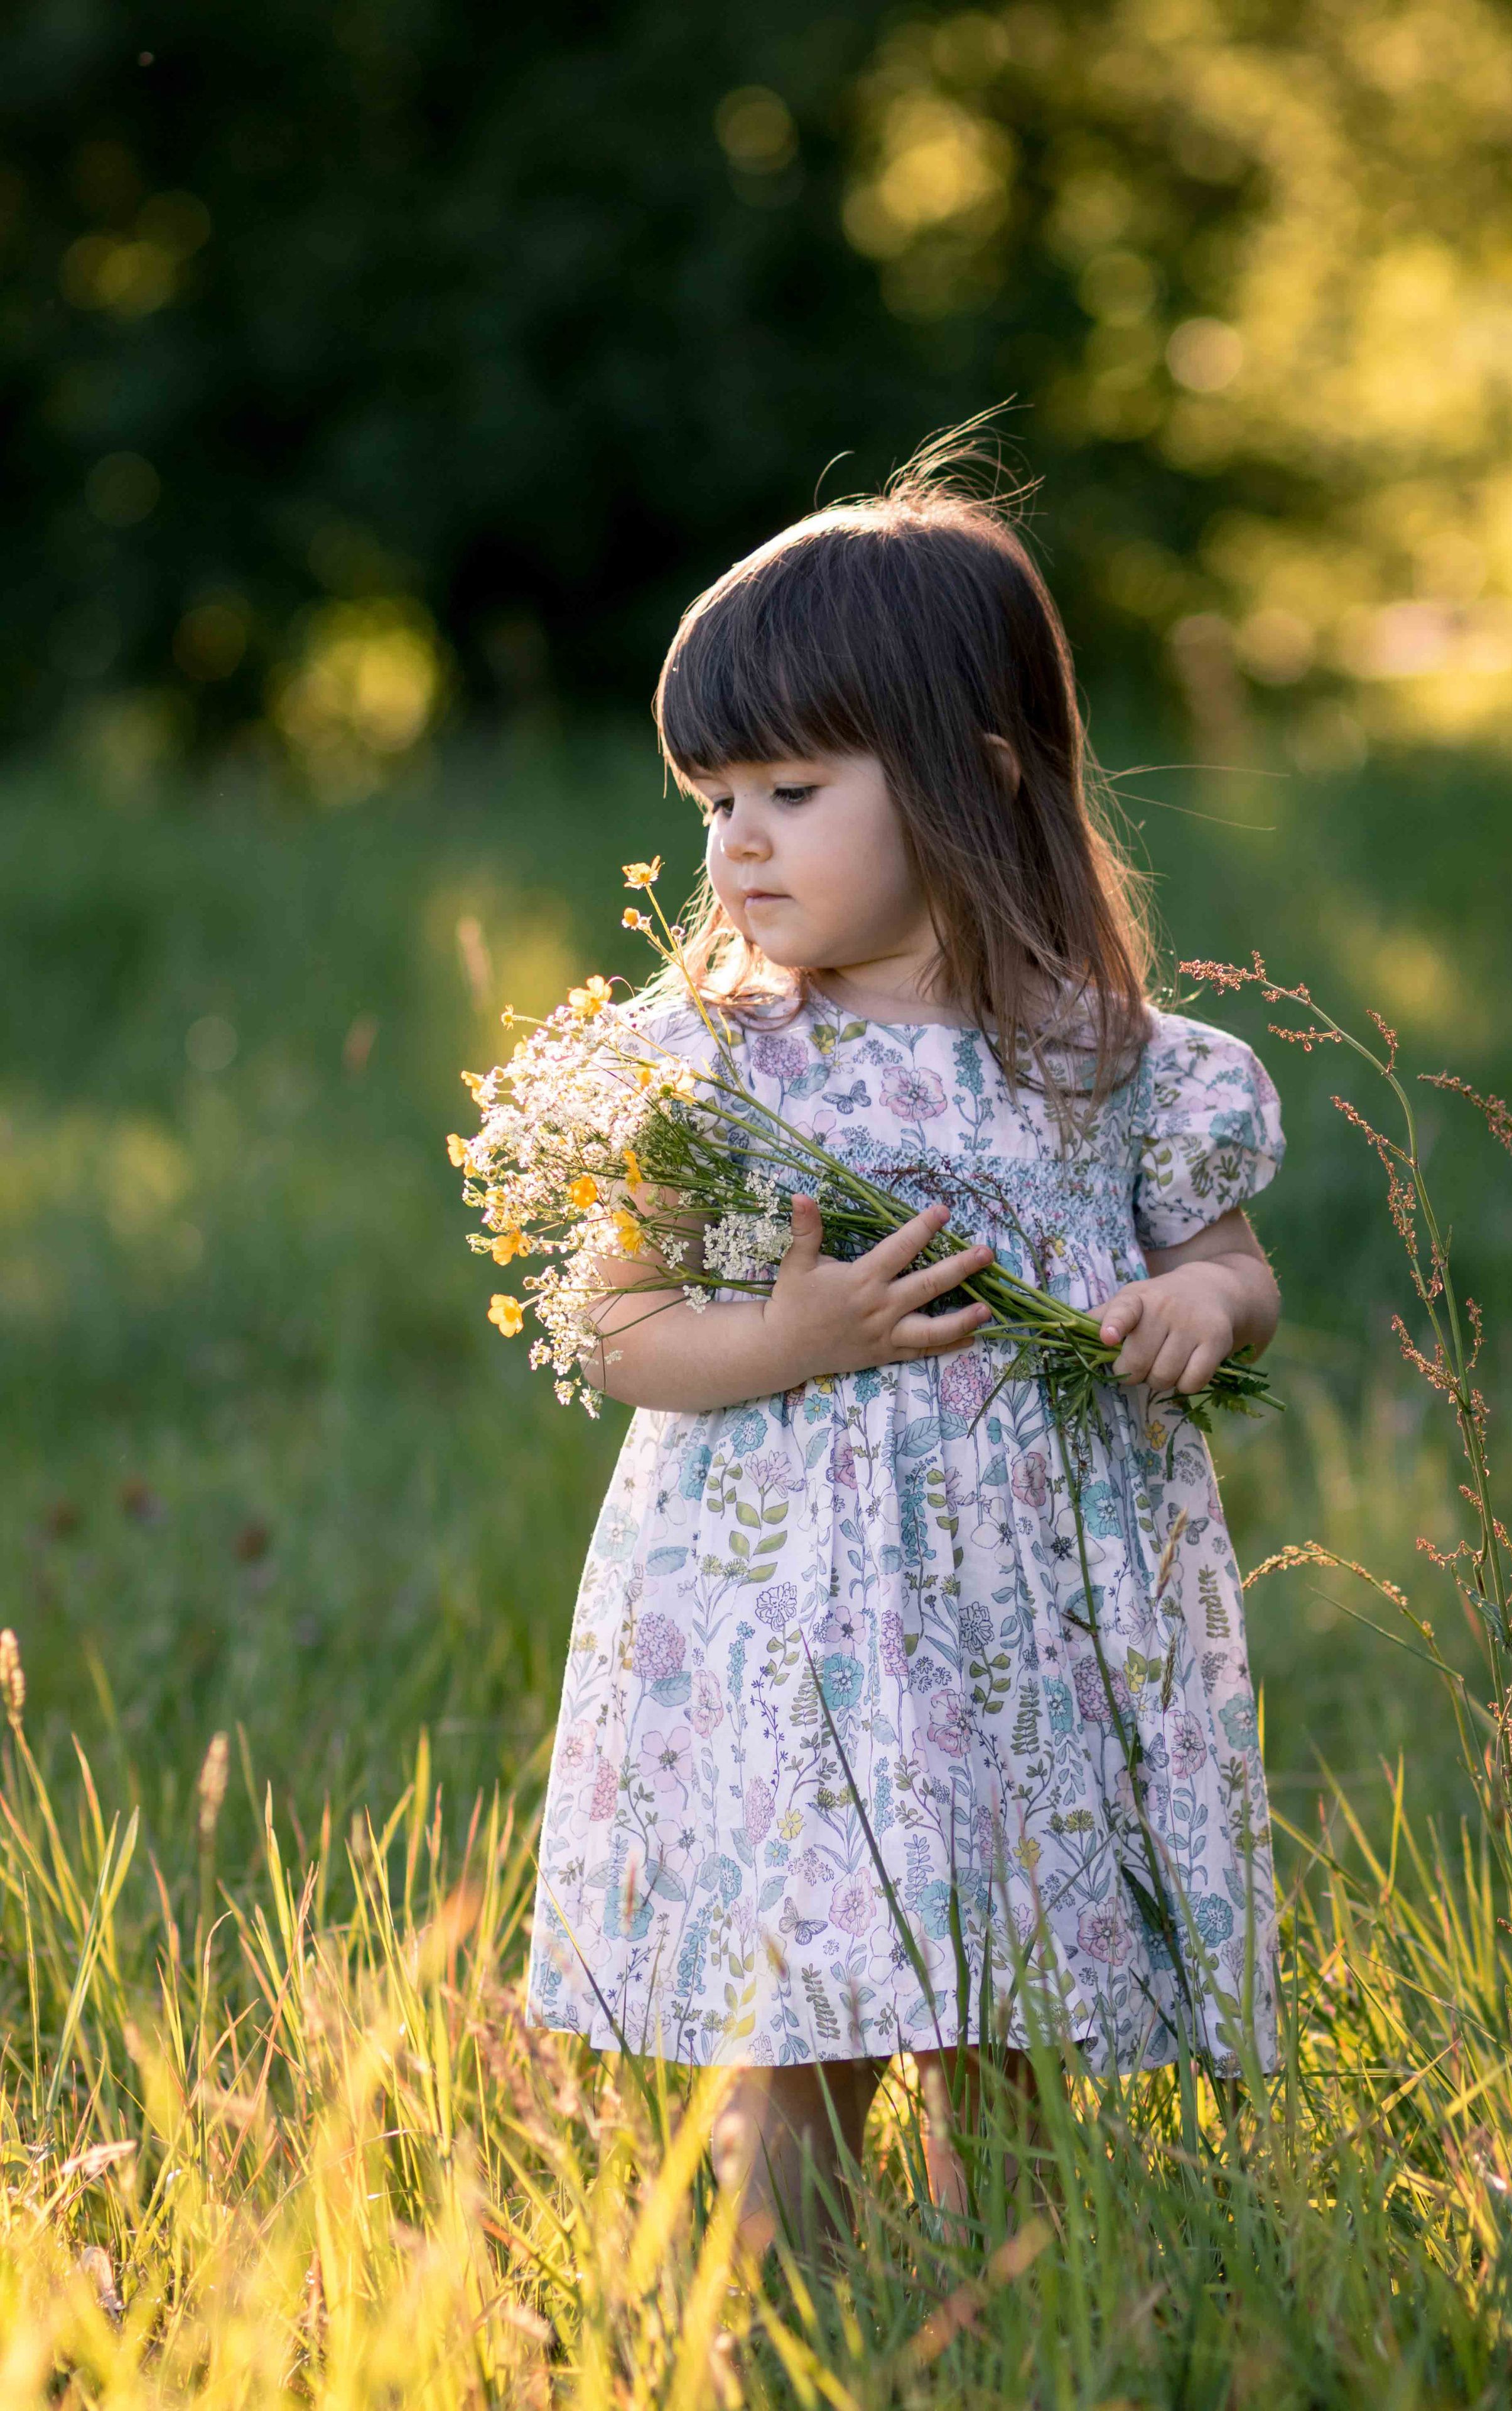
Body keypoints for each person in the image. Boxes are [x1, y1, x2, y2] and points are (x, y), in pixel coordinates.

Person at [525, 440, 1284, 2257]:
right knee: (802, 2010)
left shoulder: (1107, 1059)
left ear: (979, 781)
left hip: (1025, 1627)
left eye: (792, 790)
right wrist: (787, 1336)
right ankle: (776, 2310)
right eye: (715, 800)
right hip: (790, 1626)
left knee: (1001, 1997)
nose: (739, 842)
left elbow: (1230, 1263)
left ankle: (1004, 2300)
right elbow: (620, 1329)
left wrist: (1196, 1309)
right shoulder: (719, 1066)